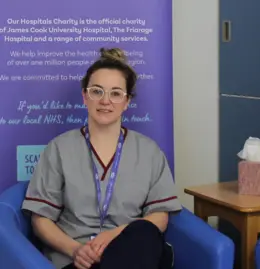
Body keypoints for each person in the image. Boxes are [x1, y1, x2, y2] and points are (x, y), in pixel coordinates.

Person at [21, 47, 183, 269]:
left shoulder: (149, 151)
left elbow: (159, 217)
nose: (105, 101)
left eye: (116, 93)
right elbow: (40, 220)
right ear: (85, 97)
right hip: (77, 260)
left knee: (144, 232)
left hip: (132, 253)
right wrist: (76, 250)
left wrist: (117, 235)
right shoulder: (59, 149)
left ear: (127, 102)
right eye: (97, 91)